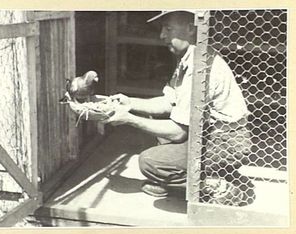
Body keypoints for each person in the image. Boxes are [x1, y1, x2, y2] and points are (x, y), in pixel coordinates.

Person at [100, 10, 256, 206]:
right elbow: (168, 103)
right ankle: (206, 176)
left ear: (191, 29)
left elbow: (178, 133)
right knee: (158, 126)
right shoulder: (190, 57)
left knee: (149, 161)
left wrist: (130, 119)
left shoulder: (200, 66)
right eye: (162, 29)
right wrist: (129, 103)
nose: (162, 35)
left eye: (168, 29)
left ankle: (217, 185)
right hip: (209, 135)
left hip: (226, 142)